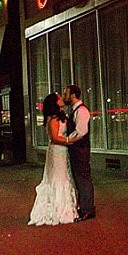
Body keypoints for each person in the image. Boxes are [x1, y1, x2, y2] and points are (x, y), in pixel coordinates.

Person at [28, 92, 79, 226]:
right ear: (55, 103)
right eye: (59, 98)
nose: (62, 99)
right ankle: (59, 209)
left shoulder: (57, 117)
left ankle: (62, 207)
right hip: (58, 152)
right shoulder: (54, 119)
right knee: (59, 178)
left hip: (60, 151)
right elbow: (55, 138)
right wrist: (69, 140)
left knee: (62, 177)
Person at [63, 84, 96, 221]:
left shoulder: (81, 111)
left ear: (73, 95)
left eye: (66, 94)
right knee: (79, 177)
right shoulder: (75, 110)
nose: (64, 96)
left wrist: (67, 140)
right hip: (77, 148)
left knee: (83, 177)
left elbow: (81, 132)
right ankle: (84, 206)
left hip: (80, 149)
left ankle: (87, 209)